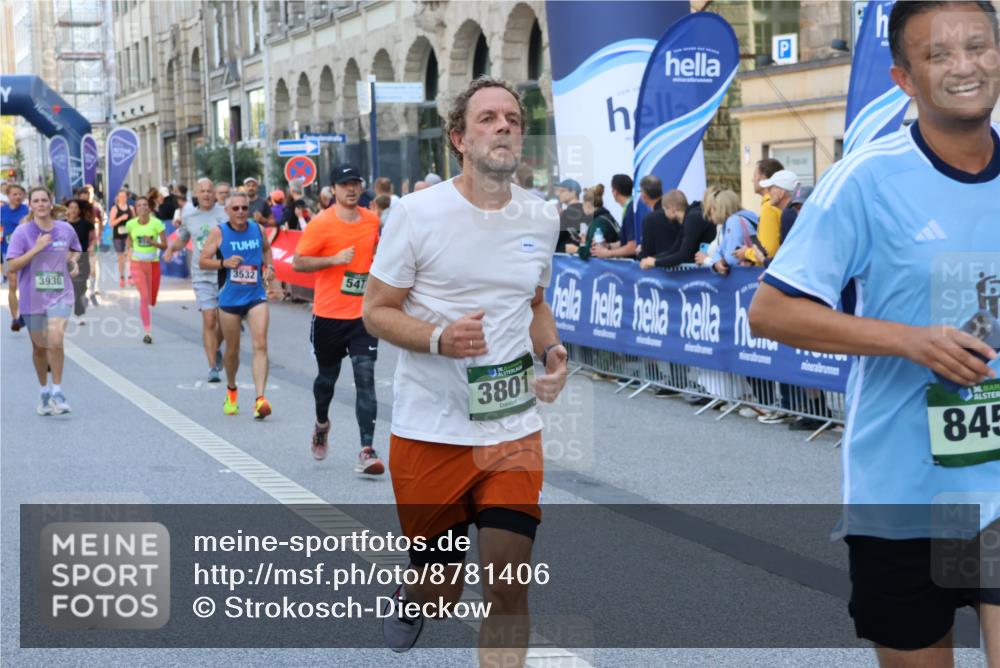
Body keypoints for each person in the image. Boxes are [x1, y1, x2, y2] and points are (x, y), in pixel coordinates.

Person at [750, 2, 1000, 666]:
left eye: (977, 46)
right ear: (904, 80)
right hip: (903, 491)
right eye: (938, 55)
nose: (964, 66)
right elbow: (771, 312)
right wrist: (911, 341)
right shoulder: (863, 179)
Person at [364, 76, 567, 666]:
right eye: (487, 118)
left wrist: (552, 353)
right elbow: (375, 311)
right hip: (430, 433)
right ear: (458, 137)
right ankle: (415, 595)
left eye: (512, 118)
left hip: (510, 432)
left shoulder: (541, 216)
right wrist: (437, 338)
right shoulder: (416, 214)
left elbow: (532, 303)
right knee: (441, 592)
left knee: (508, 586)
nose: (504, 125)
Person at [292, 163, 384, 472]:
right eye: (345, 184)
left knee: (366, 380)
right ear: (334, 189)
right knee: (326, 382)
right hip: (329, 316)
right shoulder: (321, 223)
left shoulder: (372, 221)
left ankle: (367, 450)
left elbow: (377, 255)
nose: (352, 189)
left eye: (356, 183)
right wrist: (333, 259)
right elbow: (298, 262)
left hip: (362, 316)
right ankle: (321, 424)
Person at [199, 192, 275, 419]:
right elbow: (202, 260)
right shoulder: (219, 232)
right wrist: (224, 262)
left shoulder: (258, 229)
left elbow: (267, 250)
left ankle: (260, 399)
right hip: (230, 298)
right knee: (232, 350)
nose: (241, 212)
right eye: (236, 209)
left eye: (244, 208)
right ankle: (231, 389)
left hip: (256, 295)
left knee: (260, 344)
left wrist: (270, 267)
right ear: (227, 211)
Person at [6, 187, 81, 415]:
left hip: (61, 293)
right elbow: (12, 266)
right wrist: (37, 248)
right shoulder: (22, 232)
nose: (40, 204)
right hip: (32, 297)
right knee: (39, 347)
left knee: (55, 340)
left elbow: (75, 250)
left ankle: (57, 390)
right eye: (36, 201)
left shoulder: (65, 229)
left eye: (44, 200)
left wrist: (74, 261)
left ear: (51, 203)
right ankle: (43, 391)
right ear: (31, 205)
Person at [164, 177, 228, 382]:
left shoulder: (224, 213)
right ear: (197, 195)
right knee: (209, 320)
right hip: (202, 275)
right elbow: (183, 238)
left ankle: (215, 347)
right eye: (203, 191)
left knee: (226, 323)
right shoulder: (189, 214)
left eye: (210, 190)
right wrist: (171, 248)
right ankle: (212, 367)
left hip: (224, 273)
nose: (207, 194)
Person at [125, 196, 167, 344]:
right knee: (144, 297)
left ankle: (150, 303)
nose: (142, 207)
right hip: (137, 264)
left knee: (151, 299)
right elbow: (129, 239)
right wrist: (128, 253)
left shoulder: (157, 224)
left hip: (153, 265)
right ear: (136, 209)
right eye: (139, 205)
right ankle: (147, 332)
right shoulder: (130, 224)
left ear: (149, 208)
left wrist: (152, 242)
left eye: (145, 205)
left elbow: (165, 246)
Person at [642, 186, 717, 269]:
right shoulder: (688, 218)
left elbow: (683, 255)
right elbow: (675, 248)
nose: (664, 214)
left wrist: (655, 262)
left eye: (664, 210)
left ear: (672, 209)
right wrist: (654, 258)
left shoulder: (692, 218)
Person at [741, 158, 783, 266]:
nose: (752, 180)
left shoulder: (769, 208)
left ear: (763, 179)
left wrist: (746, 253)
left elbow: (767, 252)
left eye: (755, 176)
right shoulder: (777, 204)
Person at [564, 184, 619, 260]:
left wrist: (575, 249)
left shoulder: (597, 223)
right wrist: (584, 241)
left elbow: (590, 252)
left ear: (587, 204)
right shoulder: (607, 216)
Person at [2, 183, 29, 331]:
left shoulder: (27, 210)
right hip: (7, 251)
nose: (18, 196)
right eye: (15, 194)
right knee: (12, 284)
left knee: (25, 284)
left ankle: (24, 313)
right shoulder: (2, 211)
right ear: (8, 195)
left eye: (20, 194)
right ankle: (15, 318)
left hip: (25, 252)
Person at [592, 174, 637, 260]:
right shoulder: (630, 207)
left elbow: (632, 246)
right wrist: (608, 246)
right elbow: (626, 242)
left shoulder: (631, 210)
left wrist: (608, 253)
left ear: (614, 191)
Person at [64, 198, 97, 320]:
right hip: (65, 258)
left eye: (75, 208)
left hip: (82, 257)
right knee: (68, 286)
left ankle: (79, 313)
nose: (73, 210)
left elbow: (93, 238)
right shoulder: (62, 224)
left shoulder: (86, 224)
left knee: (81, 286)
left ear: (79, 210)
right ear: (67, 209)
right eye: (71, 207)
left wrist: (92, 246)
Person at [638, 183, 683, 267]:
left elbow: (682, 252)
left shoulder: (650, 218)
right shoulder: (685, 218)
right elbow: (676, 250)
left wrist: (650, 259)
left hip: (661, 270)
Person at [109, 190, 135, 288]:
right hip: (118, 234)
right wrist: (121, 218)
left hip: (129, 234)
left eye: (124, 196)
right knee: (121, 257)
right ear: (118, 198)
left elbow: (134, 220)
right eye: (121, 196)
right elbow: (111, 223)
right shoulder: (114, 209)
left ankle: (130, 276)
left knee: (130, 254)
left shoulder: (131, 208)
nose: (123, 198)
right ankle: (122, 277)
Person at [554, 178, 585, 253]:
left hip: (566, 259)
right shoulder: (586, 211)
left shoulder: (567, 214)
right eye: (558, 191)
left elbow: (555, 239)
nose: (558, 194)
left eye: (562, 191)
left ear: (573, 192)